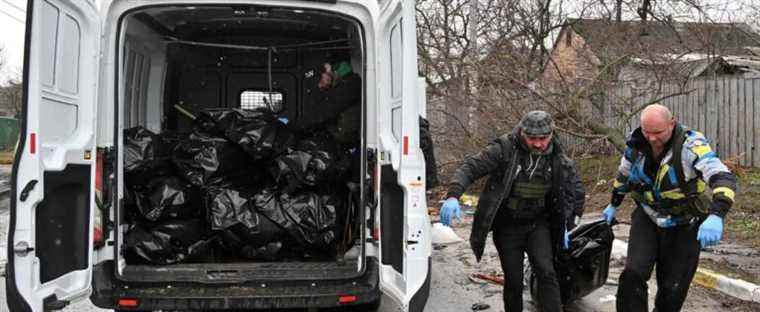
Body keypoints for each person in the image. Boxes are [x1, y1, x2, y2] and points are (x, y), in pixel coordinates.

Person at [439, 110, 585, 312]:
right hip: (507, 225)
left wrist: (569, 224)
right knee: (514, 280)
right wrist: (453, 195)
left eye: (543, 138)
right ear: (522, 133)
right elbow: (471, 167)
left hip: (538, 224)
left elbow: (574, 191)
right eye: (532, 138)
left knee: (546, 272)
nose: (537, 144)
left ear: (552, 133)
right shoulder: (505, 148)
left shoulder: (559, 158)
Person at [602, 104, 737, 312]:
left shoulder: (691, 146)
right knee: (633, 274)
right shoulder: (637, 142)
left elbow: (722, 177)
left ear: (672, 124)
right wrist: (614, 204)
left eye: (657, 133)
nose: (652, 138)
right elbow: (624, 173)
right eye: (647, 132)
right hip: (647, 217)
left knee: (672, 289)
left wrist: (717, 215)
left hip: (684, 223)